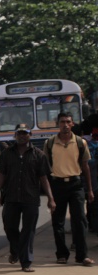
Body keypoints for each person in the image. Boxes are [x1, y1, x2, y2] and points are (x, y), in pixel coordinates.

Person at [0, 123, 55, 272]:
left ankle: (26, 262)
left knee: (28, 231)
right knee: (9, 227)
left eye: (25, 133)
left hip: (31, 198)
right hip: (11, 197)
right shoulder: (7, 154)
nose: (22, 136)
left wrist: (51, 198)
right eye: (19, 133)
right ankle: (15, 251)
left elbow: (44, 178)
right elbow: (2, 174)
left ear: (30, 135)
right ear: (15, 135)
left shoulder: (39, 155)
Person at [45, 112, 94, 266]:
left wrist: (90, 190)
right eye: (62, 122)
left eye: (68, 122)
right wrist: (49, 194)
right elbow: (45, 169)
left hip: (76, 185)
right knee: (57, 221)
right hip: (57, 185)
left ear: (72, 124)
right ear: (57, 124)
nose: (65, 125)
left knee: (79, 220)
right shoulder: (50, 143)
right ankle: (62, 254)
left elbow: (86, 167)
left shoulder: (80, 143)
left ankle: (82, 255)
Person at [87, 128, 98, 233]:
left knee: (93, 206)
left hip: (91, 182)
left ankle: (93, 227)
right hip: (94, 182)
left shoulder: (88, 145)